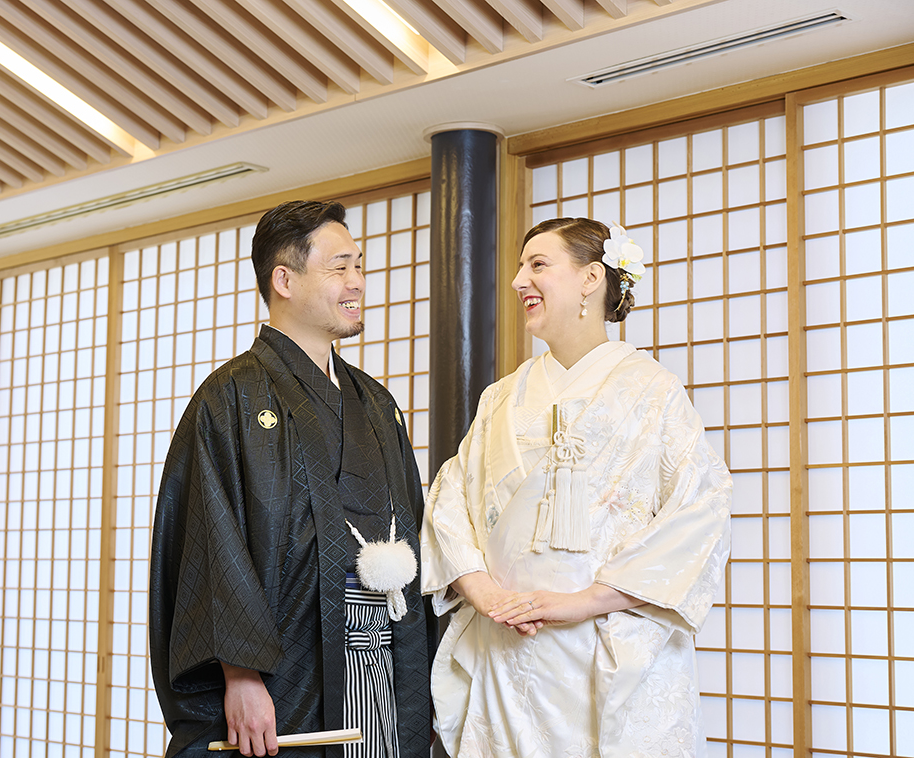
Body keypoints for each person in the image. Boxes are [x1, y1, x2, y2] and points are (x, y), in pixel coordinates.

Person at [420, 217, 732, 757]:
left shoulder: (653, 391)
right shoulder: (500, 398)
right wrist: (487, 595)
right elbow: (449, 505)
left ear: (592, 278)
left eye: (538, 265)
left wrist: (584, 601)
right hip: (509, 647)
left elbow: (700, 511)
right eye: (520, 267)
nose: (520, 280)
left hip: (606, 643)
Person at [149, 200, 432, 758]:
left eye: (359, 266)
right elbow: (211, 540)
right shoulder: (231, 395)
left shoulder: (376, 402)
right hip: (288, 659)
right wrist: (241, 675)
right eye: (340, 267)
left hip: (387, 645)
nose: (358, 283)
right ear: (284, 279)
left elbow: (415, 526)